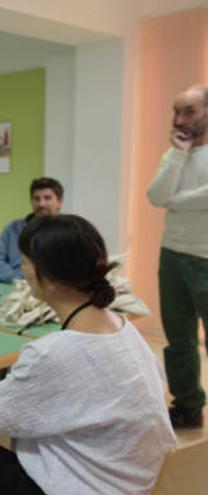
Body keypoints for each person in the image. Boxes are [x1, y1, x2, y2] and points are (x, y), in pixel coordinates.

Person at [0, 214, 176, 495]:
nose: (22, 271)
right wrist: (0, 392)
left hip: (88, 487)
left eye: (25, 263)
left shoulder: (52, 352)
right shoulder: (124, 328)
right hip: (131, 479)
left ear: (52, 279)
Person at [147, 84, 208, 429]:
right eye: (176, 111)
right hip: (172, 255)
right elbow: (156, 196)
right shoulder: (174, 154)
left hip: (206, 257)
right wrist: (178, 155)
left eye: (189, 111)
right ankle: (188, 406)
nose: (179, 119)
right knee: (178, 339)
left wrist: (176, 199)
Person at [0, 177, 64, 283]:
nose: (41, 204)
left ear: (60, 202)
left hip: (53, 291)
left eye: (47, 198)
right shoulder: (14, 228)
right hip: (15, 287)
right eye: (36, 199)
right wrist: (17, 280)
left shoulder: (69, 232)